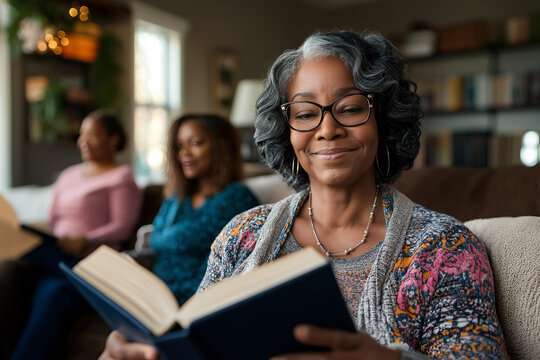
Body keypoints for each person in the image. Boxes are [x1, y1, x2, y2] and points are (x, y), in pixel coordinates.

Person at [100, 30, 507, 360]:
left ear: (384, 121)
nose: (327, 129)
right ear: (287, 130)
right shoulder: (241, 236)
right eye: (306, 112)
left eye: (349, 107)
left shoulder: (445, 249)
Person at [3, 109, 142, 360]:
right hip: (56, 257)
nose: (83, 142)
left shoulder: (121, 177)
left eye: (93, 135)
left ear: (113, 139)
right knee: (52, 286)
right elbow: (52, 221)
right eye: (81, 135)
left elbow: (122, 227)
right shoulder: (68, 175)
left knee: (53, 290)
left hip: (91, 265)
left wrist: (85, 239)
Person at [139, 114, 259, 304]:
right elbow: (155, 239)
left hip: (194, 305)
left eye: (195, 143)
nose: (184, 153)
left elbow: (223, 270)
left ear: (220, 146)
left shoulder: (237, 198)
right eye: (180, 146)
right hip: (153, 298)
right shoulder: (177, 199)